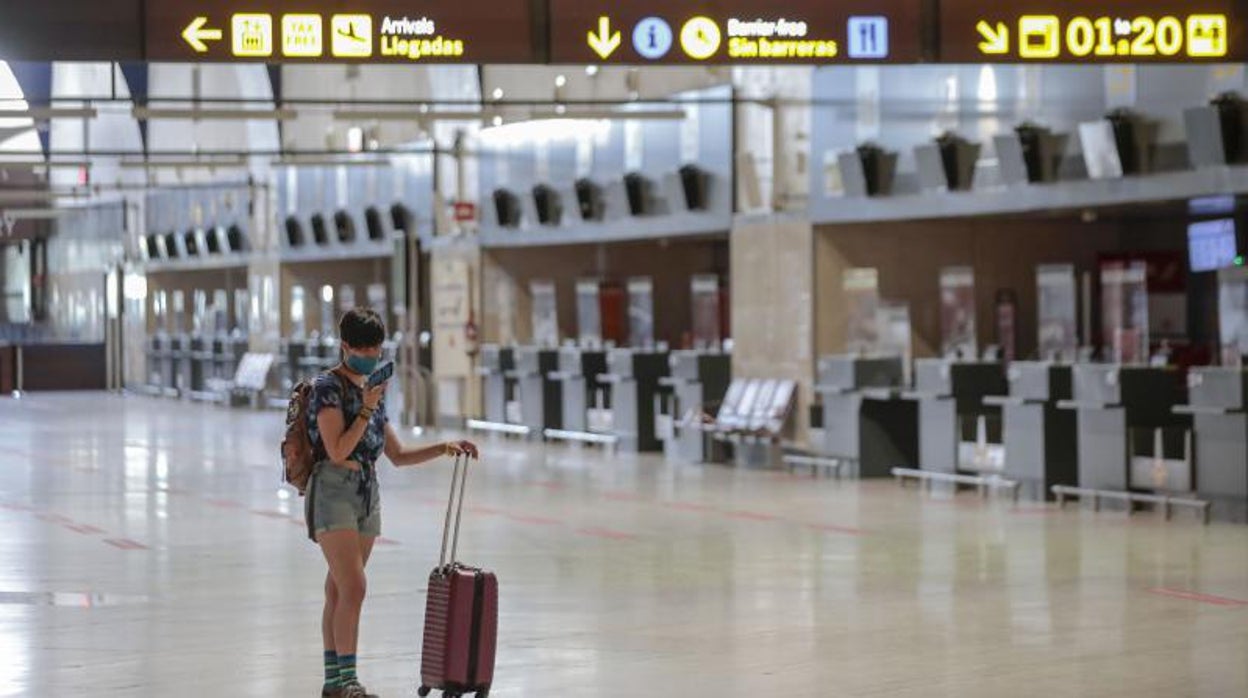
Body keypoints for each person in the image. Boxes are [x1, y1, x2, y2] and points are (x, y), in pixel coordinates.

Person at [306, 308, 479, 698]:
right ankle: (348, 680)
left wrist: (444, 446)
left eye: (375, 349)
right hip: (334, 489)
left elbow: (397, 455)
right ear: (344, 346)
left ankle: (334, 682)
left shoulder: (374, 390)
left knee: (339, 588)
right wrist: (366, 407)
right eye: (362, 349)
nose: (369, 356)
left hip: (367, 491)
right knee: (354, 586)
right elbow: (336, 449)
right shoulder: (327, 387)